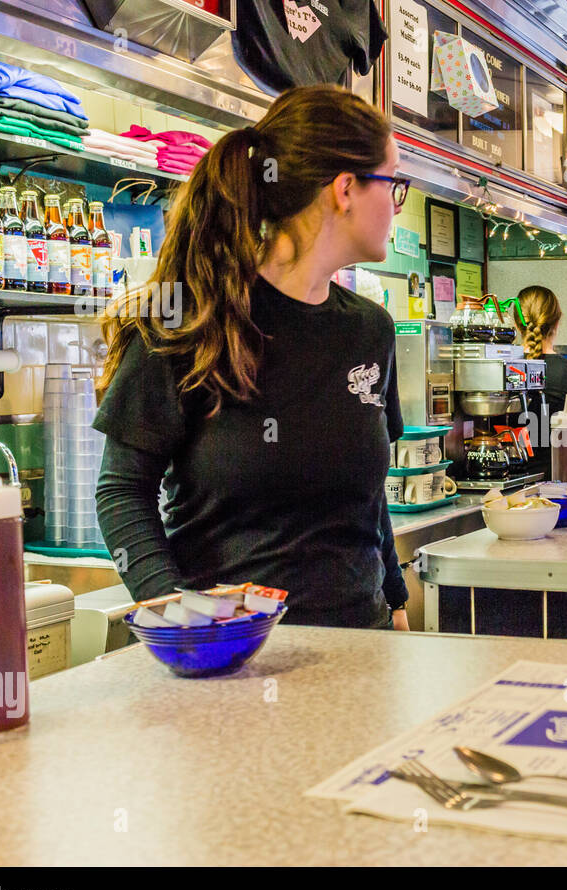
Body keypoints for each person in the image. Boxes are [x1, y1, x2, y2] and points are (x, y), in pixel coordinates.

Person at [94, 85, 413, 630]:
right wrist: (183, 617)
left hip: (364, 650)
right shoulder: (188, 319)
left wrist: (396, 601)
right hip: (231, 660)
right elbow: (122, 491)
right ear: (345, 189)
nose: (395, 204)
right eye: (394, 183)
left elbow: (365, 498)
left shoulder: (370, 330)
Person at [515, 285, 567, 471]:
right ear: (557, 323)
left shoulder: (504, 371)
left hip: (511, 484)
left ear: (517, 325)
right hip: (562, 482)